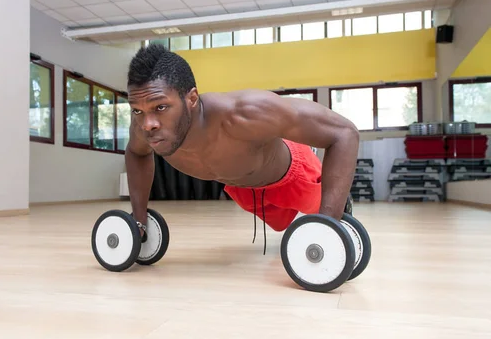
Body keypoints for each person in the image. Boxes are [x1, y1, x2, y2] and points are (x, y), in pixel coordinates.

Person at [125, 44, 359, 253]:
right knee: (281, 225)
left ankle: (340, 199)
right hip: (243, 189)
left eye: (161, 107)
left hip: (291, 175)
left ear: (192, 98)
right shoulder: (145, 129)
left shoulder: (244, 112)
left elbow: (345, 133)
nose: (148, 124)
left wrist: (329, 227)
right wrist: (139, 218)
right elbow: (136, 153)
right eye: (137, 110)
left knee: (318, 212)